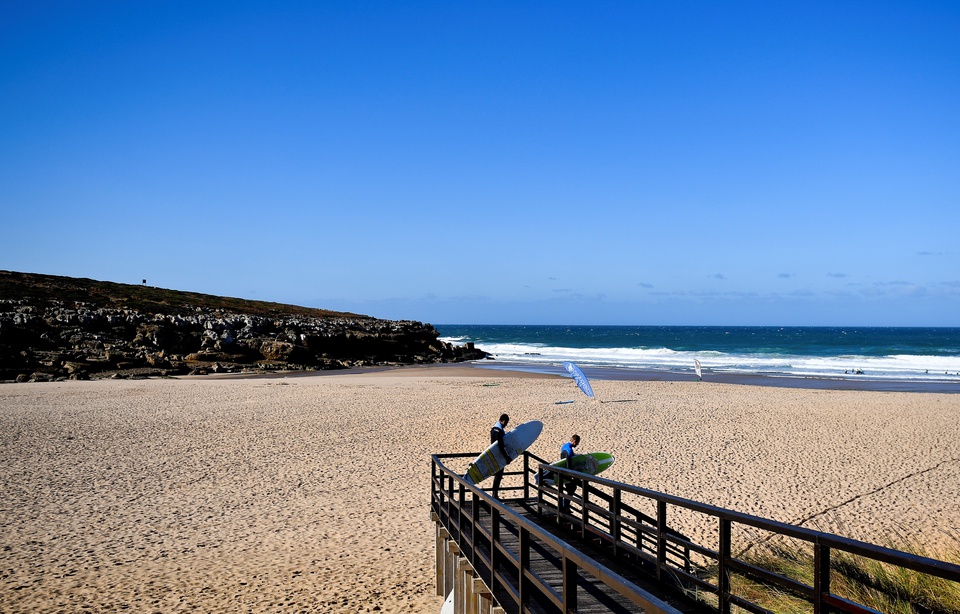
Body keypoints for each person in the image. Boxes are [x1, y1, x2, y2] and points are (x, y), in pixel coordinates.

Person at [490, 413, 510, 498]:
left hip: (494, 454)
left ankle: (494, 494)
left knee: (497, 476)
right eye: (506, 423)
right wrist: (506, 457)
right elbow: (501, 446)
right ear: (503, 421)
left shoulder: (494, 428)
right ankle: (495, 495)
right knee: (498, 475)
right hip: (498, 456)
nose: (506, 425)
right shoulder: (499, 431)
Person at [559, 434, 580, 512]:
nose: (577, 444)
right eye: (577, 443)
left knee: (567, 490)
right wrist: (572, 475)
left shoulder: (565, 446)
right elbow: (568, 463)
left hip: (561, 471)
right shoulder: (569, 450)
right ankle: (565, 507)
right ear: (574, 441)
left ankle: (564, 506)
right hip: (566, 473)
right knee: (571, 489)